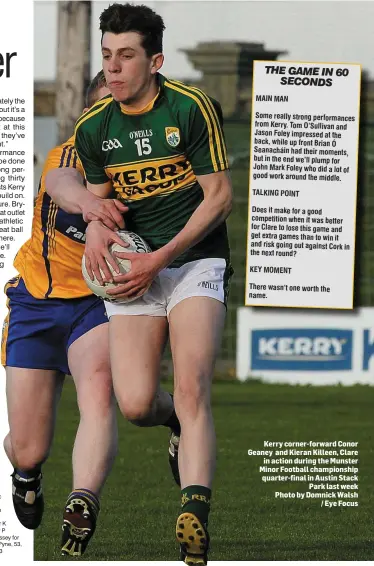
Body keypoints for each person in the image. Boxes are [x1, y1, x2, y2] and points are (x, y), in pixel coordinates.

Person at [73, 5, 233, 564]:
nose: (113, 69)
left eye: (127, 56)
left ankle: (193, 510)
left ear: (155, 60)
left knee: (191, 386)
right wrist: (96, 231)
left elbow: (219, 198)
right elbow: (101, 207)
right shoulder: (93, 128)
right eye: (107, 56)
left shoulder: (191, 108)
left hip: (194, 261)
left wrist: (163, 256)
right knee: (137, 404)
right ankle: (171, 427)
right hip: (136, 270)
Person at [2, 70, 180, 558]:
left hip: (100, 305)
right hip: (37, 300)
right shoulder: (67, 156)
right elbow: (62, 185)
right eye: (103, 111)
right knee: (28, 446)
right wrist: (93, 208)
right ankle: (27, 474)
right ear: (86, 116)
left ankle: (84, 501)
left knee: (102, 394)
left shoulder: (155, 175)